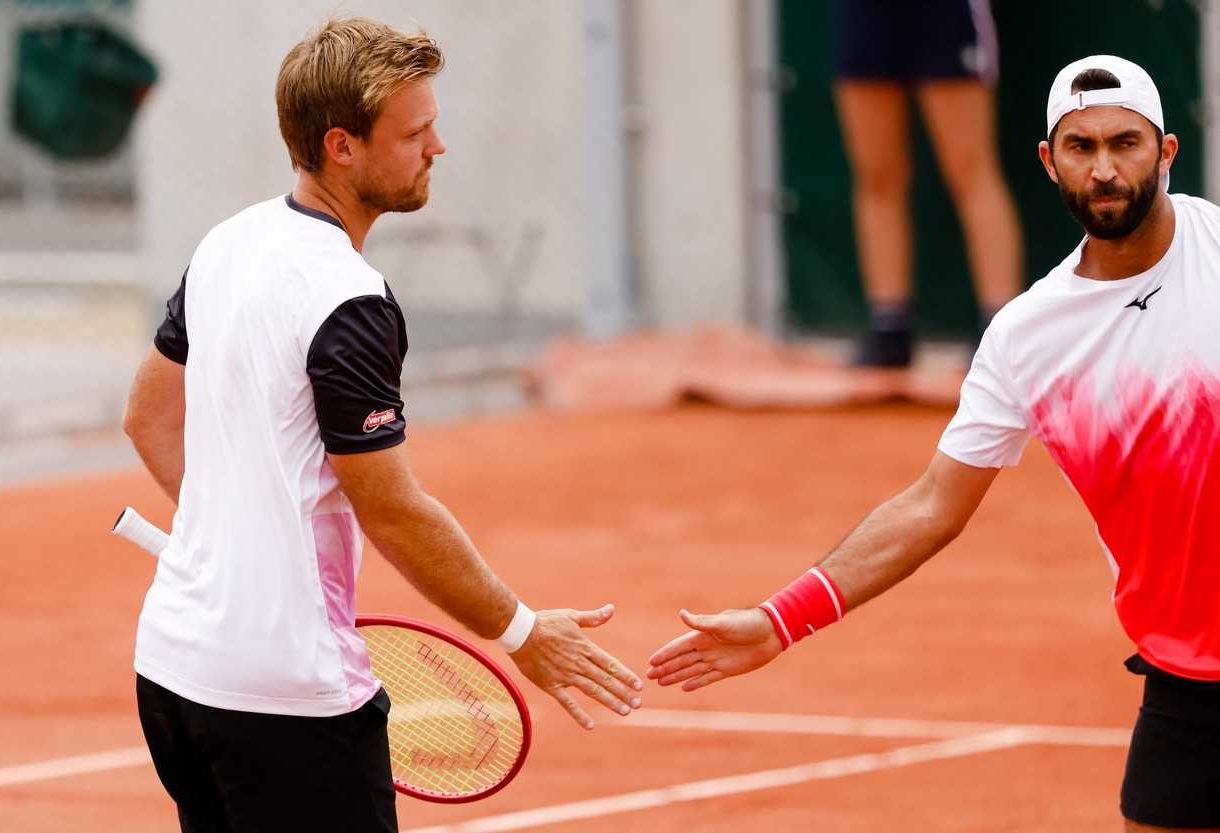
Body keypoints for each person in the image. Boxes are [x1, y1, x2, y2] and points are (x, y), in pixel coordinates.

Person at [648, 55, 1220, 832]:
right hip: (1187, 672)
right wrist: (781, 619)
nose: (1106, 168)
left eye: (1126, 142)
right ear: (1050, 162)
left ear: (1168, 151)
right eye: (1081, 148)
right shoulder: (1028, 335)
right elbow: (930, 506)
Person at [122, 17, 642, 833]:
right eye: (415, 132)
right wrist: (522, 629)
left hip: (173, 673)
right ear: (342, 146)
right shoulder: (349, 299)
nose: (437, 147)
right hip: (287, 698)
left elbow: (147, 416)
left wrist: (225, 542)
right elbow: (391, 505)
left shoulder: (230, 240)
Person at [832, 0, 1023, 367]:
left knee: (970, 170)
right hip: (864, 13)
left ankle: (1000, 328)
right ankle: (890, 328)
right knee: (876, 175)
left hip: (945, 11)